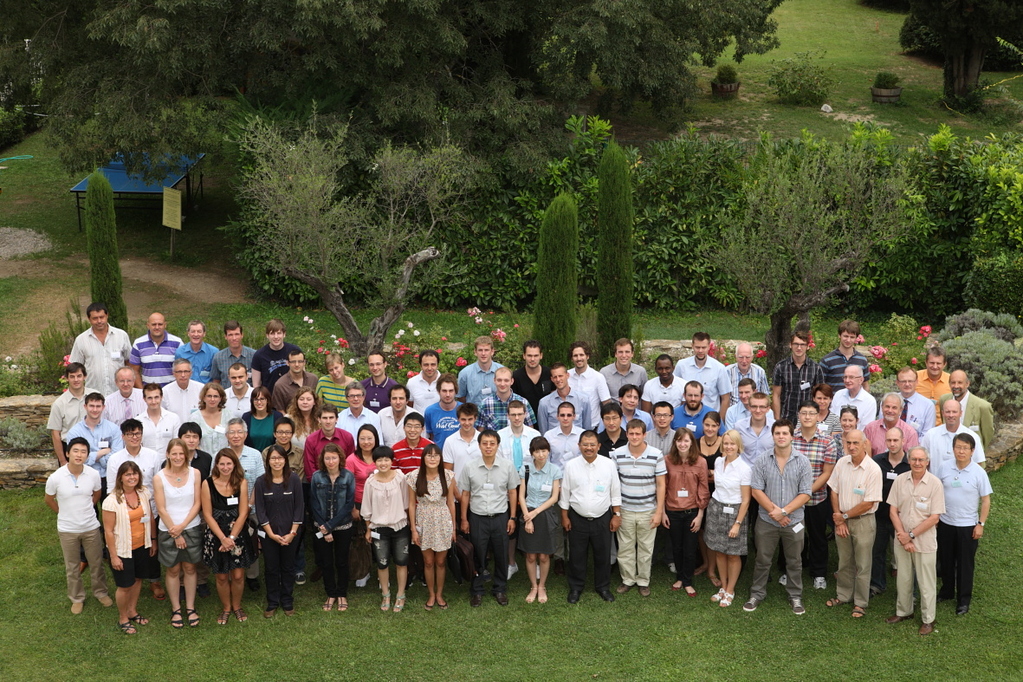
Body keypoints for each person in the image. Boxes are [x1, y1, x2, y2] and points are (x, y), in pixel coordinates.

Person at [743, 420, 812, 615]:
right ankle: (756, 593)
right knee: (762, 559)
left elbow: (806, 493)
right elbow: (756, 489)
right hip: (766, 520)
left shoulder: (803, 461)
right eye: (777, 433)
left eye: (785, 433)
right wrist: (776, 512)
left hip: (794, 521)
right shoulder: (763, 460)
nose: (781, 436)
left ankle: (795, 595)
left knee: (794, 561)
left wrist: (784, 512)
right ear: (772, 436)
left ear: (792, 436)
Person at [44, 437, 113, 614]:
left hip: (90, 527)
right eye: (75, 451)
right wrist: (62, 512)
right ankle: (77, 597)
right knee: (72, 566)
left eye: (83, 451)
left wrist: (89, 506)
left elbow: (96, 494)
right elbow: (49, 499)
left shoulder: (93, 474)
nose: (79, 455)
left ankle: (101, 592)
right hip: (68, 530)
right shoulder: (56, 477)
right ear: (67, 453)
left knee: (96, 563)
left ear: (87, 455)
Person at [885, 446, 945, 636]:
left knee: (926, 583)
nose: (917, 463)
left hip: (924, 542)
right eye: (914, 459)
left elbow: (935, 518)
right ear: (908, 461)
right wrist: (903, 536)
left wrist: (910, 536)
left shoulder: (935, 484)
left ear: (927, 462)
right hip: (901, 539)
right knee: (903, 578)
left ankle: (928, 619)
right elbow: (893, 511)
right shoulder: (901, 480)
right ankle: (904, 612)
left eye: (921, 460)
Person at [825, 429, 882, 618]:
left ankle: (860, 602)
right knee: (844, 560)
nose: (852, 446)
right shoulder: (842, 463)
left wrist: (844, 516)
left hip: (863, 522)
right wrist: (838, 516)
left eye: (856, 443)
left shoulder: (873, 469)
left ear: (864, 444)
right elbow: (833, 490)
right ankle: (843, 595)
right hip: (841, 520)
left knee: (863, 564)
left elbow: (869, 503)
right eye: (848, 443)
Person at [459, 430, 520, 607]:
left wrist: (513, 517)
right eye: (485, 443)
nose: (488, 447)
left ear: (498, 445)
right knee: (477, 555)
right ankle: (477, 590)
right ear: (479, 445)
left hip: (501, 516)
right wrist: (464, 519)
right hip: (478, 517)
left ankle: (500, 588)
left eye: (492, 443)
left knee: (501, 554)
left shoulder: (507, 466)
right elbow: (465, 494)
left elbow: (512, 492)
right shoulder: (470, 467)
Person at [560, 430, 621, 604]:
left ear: (599, 446)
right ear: (579, 446)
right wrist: (565, 517)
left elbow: (615, 491)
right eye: (585, 444)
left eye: (592, 444)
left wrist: (616, 515)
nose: (589, 448)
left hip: (603, 517)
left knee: (603, 554)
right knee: (577, 555)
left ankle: (603, 587)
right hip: (577, 517)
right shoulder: (571, 465)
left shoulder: (608, 464)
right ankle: (576, 587)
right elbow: (565, 493)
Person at [935, 432, 992, 616]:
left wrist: (980, 524)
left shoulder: (978, 472)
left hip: (968, 525)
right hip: (945, 522)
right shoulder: (944, 468)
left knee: (965, 564)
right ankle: (947, 591)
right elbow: (936, 492)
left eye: (965, 448)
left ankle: (963, 600)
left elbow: (985, 500)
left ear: (972, 451)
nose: (961, 451)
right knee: (946, 560)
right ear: (953, 449)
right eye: (958, 447)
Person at [611, 420, 666, 597]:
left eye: (638, 434)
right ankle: (627, 579)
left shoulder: (656, 454)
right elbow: (613, 484)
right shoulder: (617, 454)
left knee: (646, 548)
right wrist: (616, 512)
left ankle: (643, 580)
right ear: (626, 434)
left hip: (648, 509)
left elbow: (661, 484)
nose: (634, 437)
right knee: (625, 547)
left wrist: (659, 512)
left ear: (644, 435)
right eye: (631, 433)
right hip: (625, 509)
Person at [200, 448, 256, 625]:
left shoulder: (241, 482)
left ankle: (237, 605)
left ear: (234, 465)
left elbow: (243, 513)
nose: (225, 467)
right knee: (221, 575)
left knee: (238, 575)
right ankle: (226, 607)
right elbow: (207, 515)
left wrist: (231, 538)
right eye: (222, 463)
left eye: (229, 463)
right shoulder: (207, 483)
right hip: (216, 534)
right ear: (216, 465)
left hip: (237, 534)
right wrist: (222, 538)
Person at [152, 438, 203, 628]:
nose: (178, 457)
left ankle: (190, 607)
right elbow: (161, 508)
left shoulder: (195, 473)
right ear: (167, 454)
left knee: (190, 568)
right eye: (174, 453)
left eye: (181, 453)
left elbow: (197, 503)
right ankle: (175, 609)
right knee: (173, 569)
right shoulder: (159, 477)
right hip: (168, 529)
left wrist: (183, 527)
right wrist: (176, 532)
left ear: (187, 454)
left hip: (191, 527)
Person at [102, 461, 157, 634]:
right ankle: (123, 617)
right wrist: (114, 556)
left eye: (135, 473)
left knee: (138, 579)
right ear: (120, 477)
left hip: (142, 546)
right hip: (123, 550)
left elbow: (151, 519)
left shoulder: (144, 493)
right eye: (128, 474)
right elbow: (108, 531)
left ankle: (132, 611)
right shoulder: (111, 501)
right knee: (125, 585)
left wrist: (153, 540)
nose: (132, 477)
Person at [791, 400, 837, 591]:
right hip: (793, 501)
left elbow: (827, 473)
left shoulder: (827, 441)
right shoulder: (791, 438)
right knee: (794, 535)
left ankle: (818, 573)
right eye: (804, 413)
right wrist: (798, 495)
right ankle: (793, 569)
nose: (807, 417)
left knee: (817, 537)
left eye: (811, 413)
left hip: (817, 499)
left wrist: (806, 492)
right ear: (798, 416)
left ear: (818, 416)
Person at [255, 444, 304, 617]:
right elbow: (260, 511)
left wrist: (292, 533)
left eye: (280, 458)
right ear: (268, 461)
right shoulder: (261, 481)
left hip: (291, 534)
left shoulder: (294, 479)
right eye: (273, 458)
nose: (277, 461)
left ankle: (287, 600)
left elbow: (299, 508)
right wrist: (270, 534)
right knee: (271, 568)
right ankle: (273, 601)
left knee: (288, 567)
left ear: (285, 460)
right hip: (270, 535)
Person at [703, 430, 751, 608]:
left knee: (732, 554)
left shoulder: (745, 469)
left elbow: (746, 500)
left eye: (732, 444)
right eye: (726, 443)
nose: (728, 447)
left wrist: (737, 524)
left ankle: (730, 589)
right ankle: (722, 587)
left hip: (735, 512)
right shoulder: (718, 461)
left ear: (739, 446)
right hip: (716, 508)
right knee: (718, 551)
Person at [362, 446, 411, 612]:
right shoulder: (370, 482)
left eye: (386, 459)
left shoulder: (400, 478)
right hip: (379, 529)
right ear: (375, 462)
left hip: (400, 526)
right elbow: (366, 508)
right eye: (379, 460)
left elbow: (407, 503)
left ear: (392, 461)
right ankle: (386, 594)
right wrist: (368, 529)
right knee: (382, 563)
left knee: (401, 562)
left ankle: (400, 594)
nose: (383, 463)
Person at [407, 443, 456, 610]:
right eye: (429, 455)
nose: (433, 458)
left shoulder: (448, 476)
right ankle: (431, 594)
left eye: (436, 455)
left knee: (441, 561)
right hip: (423, 521)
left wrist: (454, 527)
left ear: (441, 458)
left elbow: (451, 503)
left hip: (443, 520)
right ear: (424, 458)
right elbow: (412, 505)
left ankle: (440, 594)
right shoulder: (414, 477)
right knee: (428, 562)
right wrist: (413, 529)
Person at [661, 427, 707, 596]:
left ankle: (687, 581)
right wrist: (663, 512)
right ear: (675, 442)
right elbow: (663, 487)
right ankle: (680, 577)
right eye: (679, 440)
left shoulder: (700, 462)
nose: (682, 444)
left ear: (691, 443)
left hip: (691, 512)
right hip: (672, 511)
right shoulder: (667, 460)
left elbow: (703, 489)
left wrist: (700, 515)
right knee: (677, 547)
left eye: (686, 441)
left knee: (689, 548)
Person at [310, 444, 356, 612]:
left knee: (342, 561)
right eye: (327, 458)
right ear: (323, 459)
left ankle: (341, 593)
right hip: (321, 527)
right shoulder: (316, 477)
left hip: (343, 526)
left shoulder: (348, 477)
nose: (330, 461)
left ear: (340, 459)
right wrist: (325, 528)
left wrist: (330, 526)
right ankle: (330, 593)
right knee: (326, 562)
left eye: (334, 458)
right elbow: (313, 504)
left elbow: (349, 504)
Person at [518, 436, 562, 604]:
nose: (541, 454)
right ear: (532, 453)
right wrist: (527, 518)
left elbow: (554, 497)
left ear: (548, 451)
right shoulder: (526, 469)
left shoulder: (554, 470)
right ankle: (533, 586)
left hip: (545, 513)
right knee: (530, 556)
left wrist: (534, 513)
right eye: (537, 451)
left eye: (544, 450)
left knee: (544, 556)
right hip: (527, 512)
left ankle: (542, 585)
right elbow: (521, 496)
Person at [224, 417, 266, 591]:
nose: (236, 436)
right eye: (232, 432)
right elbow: (215, 481)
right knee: (229, 540)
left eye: (239, 432)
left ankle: (252, 576)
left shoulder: (255, 454)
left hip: (251, 508)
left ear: (245, 434)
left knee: (251, 540)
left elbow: (260, 482)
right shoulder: (221, 455)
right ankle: (228, 572)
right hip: (226, 509)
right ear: (227, 435)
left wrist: (249, 505)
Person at [871, 427, 910, 597]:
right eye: (889, 440)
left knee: (904, 554)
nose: (892, 444)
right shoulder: (877, 461)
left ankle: (907, 590)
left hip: (902, 519)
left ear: (903, 441)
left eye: (896, 440)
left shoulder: (911, 463)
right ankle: (876, 584)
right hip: (879, 516)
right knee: (877, 552)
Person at [70, 302, 131, 396]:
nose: (99, 321)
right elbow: (75, 367)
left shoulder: (121, 335)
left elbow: (129, 362)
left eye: (101, 317)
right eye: (95, 318)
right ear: (89, 319)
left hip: (119, 393)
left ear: (107, 316)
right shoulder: (81, 340)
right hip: (93, 395)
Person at [66, 391, 123, 493]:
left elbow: (117, 456)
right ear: (85, 406)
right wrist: (102, 453)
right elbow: (76, 458)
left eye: (98, 406)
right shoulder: (75, 432)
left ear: (103, 407)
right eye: (91, 406)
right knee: (87, 508)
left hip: (108, 476)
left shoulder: (113, 429)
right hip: (84, 476)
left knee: (111, 507)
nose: (95, 410)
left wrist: (91, 457)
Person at [346, 424, 381, 588]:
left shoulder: (381, 456)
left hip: (380, 503)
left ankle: (382, 571)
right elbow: (348, 485)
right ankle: (363, 571)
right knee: (361, 539)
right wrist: (353, 507)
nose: (366, 442)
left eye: (369, 438)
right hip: (359, 504)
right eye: (362, 439)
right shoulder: (351, 459)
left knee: (380, 538)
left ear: (376, 439)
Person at [673, 332, 731, 418]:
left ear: (709, 347)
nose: (700, 351)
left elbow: (725, 398)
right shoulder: (682, 366)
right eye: (697, 347)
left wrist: (719, 423)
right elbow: (675, 391)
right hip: (686, 416)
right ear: (692, 346)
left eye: (703, 347)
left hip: (710, 418)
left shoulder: (719, 368)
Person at [771, 330, 824, 424]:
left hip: (807, 418)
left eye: (802, 344)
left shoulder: (816, 368)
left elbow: (819, 396)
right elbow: (776, 395)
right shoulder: (781, 367)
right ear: (790, 345)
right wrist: (777, 419)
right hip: (786, 417)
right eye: (796, 344)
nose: (799, 348)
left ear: (807, 346)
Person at [921, 399, 986, 472]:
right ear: (943, 413)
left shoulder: (972, 436)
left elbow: (978, 464)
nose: (951, 415)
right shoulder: (931, 435)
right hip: (936, 482)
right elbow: (923, 461)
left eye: (954, 412)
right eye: (948, 412)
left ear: (961, 413)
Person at [939, 370, 995, 449]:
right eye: (953, 382)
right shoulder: (944, 400)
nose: (956, 386)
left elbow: (987, 435)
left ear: (967, 384)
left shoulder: (983, 406)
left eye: (960, 382)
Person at [48, 362, 88, 465]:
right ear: (67, 378)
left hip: (92, 447)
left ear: (85, 377)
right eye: (72, 377)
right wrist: (62, 460)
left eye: (79, 376)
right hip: (69, 449)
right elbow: (55, 434)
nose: (76, 380)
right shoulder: (59, 404)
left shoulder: (95, 397)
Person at [129, 312, 182, 387]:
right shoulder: (138, 344)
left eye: (160, 324)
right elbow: (134, 371)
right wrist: (142, 391)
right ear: (148, 325)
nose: (157, 327)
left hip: (171, 392)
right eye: (154, 324)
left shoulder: (177, 343)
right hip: (149, 393)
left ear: (165, 325)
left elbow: (183, 369)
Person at [538, 363, 595, 432]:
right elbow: (543, 431)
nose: (558, 379)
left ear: (567, 375)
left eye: (560, 376)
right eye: (555, 377)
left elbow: (587, 429)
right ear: (552, 379)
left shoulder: (583, 400)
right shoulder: (544, 403)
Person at [304, 404, 356, 479]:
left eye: (331, 418)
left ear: (337, 419)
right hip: (319, 483)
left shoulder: (347, 437)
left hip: (343, 482)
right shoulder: (311, 440)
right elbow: (309, 468)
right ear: (319, 419)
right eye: (325, 418)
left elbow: (350, 463)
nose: (328, 421)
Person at [479, 366, 538, 431]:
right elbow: (481, 431)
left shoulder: (523, 402)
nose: (502, 384)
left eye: (506, 380)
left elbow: (530, 429)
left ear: (512, 381)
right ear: (494, 380)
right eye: (499, 380)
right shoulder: (485, 404)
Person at [251, 318, 301, 393]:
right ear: (267, 335)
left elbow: (302, 375)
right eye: (272, 333)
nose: (276, 337)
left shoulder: (294, 351)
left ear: (284, 334)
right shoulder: (259, 355)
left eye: (279, 333)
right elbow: (256, 385)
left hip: (292, 397)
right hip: (270, 398)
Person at [819, 320, 870, 392]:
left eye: (852, 337)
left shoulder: (862, 360)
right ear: (839, 335)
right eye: (845, 336)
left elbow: (865, 385)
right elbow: (820, 387)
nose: (848, 340)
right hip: (834, 402)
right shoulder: (827, 360)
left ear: (856, 338)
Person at [137, 383, 181, 458]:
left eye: (156, 397)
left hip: (169, 464)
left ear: (161, 397)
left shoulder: (173, 418)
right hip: (147, 464)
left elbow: (177, 444)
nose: (153, 401)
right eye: (150, 398)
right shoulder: (138, 421)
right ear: (144, 399)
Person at [458, 335, 505, 405]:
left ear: (492, 351)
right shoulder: (465, 373)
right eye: (480, 350)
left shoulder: (502, 371)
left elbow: (507, 394)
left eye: (486, 350)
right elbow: (461, 397)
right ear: (475, 352)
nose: (483, 353)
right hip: (474, 414)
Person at [443, 403, 483, 482]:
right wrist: (456, 492)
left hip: (480, 490)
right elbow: (447, 472)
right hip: (458, 488)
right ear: (458, 419)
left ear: (475, 418)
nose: (467, 423)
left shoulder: (484, 440)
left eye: (470, 419)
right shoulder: (450, 441)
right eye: (463, 419)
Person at [512, 340, 554, 416]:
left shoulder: (549, 374)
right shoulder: (516, 376)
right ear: (524, 356)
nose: (532, 359)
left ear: (541, 355)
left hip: (547, 419)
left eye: (536, 355)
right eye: (529, 355)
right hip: (525, 421)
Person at [829, 366, 876, 432]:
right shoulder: (838, 395)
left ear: (861, 380)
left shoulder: (869, 401)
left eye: (851, 377)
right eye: (845, 377)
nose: (847, 380)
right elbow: (831, 419)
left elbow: (866, 429)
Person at [498, 400, 541, 470]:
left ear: (525, 414)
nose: (517, 418)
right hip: (507, 477)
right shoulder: (500, 436)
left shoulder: (535, 435)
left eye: (520, 414)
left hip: (531, 477)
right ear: (508, 416)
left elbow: (539, 461)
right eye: (513, 415)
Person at [735, 392, 776, 467]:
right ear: (749, 408)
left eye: (762, 407)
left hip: (767, 473)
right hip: (745, 474)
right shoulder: (739, 426)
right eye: (754, 406)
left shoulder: (775, 427)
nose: (758, 410)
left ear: (768, 409)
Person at [210, 320, 256, 385]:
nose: (234, 338)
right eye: (230, 335)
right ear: (225, 337)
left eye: (237, 334)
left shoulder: (254, 356)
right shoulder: (218, 357)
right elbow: (216, 382)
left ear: (242, 335)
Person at [895, 366, 934, 439]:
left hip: (916, 448)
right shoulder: (889, 402)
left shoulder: (928, 405)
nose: (907, 384)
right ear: (897, 382)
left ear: (916, 382)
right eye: (903, 381)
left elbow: (926, 435)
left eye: (910, 381)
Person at [191, 382, 230, 454]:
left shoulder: (229, 415)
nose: (212, 399)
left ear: (220, 398)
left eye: (215, 396)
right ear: (204, 398)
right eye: (209, 396)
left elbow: (232, 439)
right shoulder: (195, 418)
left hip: (225, 460)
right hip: (202, 460)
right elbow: (191, 441)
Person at [568, 341, 612, 405]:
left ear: (587, 356)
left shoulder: (598, 377)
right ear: (572, 358)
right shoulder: (566, 376)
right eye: (575, 356)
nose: (579, 358)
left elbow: (606, 403)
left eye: (581, 355)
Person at [423, 373, 461, 448]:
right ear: (438, 391)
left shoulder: (464, 409)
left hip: (459, 455)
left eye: (451, 391)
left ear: (455, 392)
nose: (447, 394)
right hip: (439, 456)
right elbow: (430, 437)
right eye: (444, 391)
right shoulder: (430, 411)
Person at [916, 345, 950, 426]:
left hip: (942, 427)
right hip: (918, 427)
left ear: (944, 364)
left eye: (938, 363)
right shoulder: (915, 378)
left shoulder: (951, 381)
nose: (935, 366)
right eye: (932, 363)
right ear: (926, 362)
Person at [543, 402, 584, 468]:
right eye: (562, 415)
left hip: (577, 475)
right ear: (557, 416)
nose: (565, 418)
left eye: (569, 415)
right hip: (556, 476)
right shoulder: (549, 436)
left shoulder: (582, 434)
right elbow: (546, 460)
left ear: (574, 416)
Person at [242, 386, 280, 453]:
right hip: (251, 457)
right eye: (256, 399)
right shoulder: (246, 417)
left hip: (272, 457)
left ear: (267, 400)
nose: (259, 402)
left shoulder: (277, 417)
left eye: (262, 399)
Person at [286, 386, 319, 455]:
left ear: (314, 402)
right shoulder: (288, 419)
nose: (305, 402)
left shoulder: (320, 419)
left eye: (309, 399)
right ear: (296, 401)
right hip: (294, 460)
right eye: (301, 399)